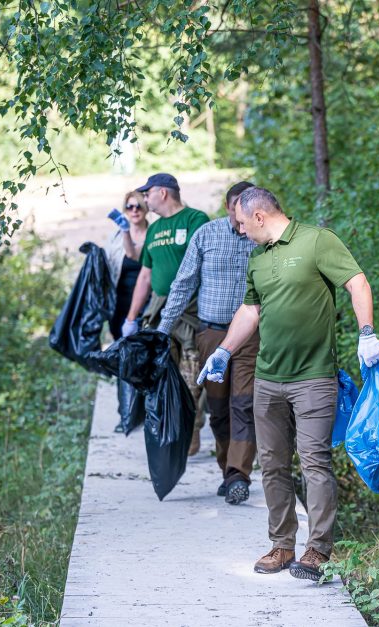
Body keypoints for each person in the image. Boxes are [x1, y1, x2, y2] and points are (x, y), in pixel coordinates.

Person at [197, 187, 379, 580]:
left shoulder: (317, 241)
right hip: (268, 378)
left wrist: (366, 332)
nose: (241, 230)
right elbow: (250, 310)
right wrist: (225, 352)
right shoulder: (257, 258)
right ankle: (282, 546)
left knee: (315, 461)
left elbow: (357, 283)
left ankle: (317, 551)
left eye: (243, 223)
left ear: (260, 217)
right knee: (272, 464)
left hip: (314, 376)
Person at [157, 181, 259, 505]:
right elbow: (183, 284)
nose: (241, 218)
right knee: (218, 411)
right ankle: (228, 469)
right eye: (236, 209)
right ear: (228, 207)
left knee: (243, 404)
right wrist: (162, 330)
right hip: (211, 335)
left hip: (250, 336)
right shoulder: (206, 235)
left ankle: (238, 476)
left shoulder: (261, 239)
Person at [121, 173, 210, 454]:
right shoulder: (155, 230)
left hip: (192, 313)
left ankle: (192, 429)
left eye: (147, 194)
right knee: (161, 378)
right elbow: (145, 276)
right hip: (159, 315)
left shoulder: (196, 220)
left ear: (162, 193)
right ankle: (172, 433)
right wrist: (131, 317)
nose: (144, 200)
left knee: (192, 379)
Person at [105, 191, 149, 340]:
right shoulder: (116, 236)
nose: (134, 210)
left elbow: (134, 255)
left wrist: (126, 231)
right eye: (129, 207)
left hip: (145, 304)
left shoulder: (155, 234)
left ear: (146, 208)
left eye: (138, 206)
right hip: (119, 303)